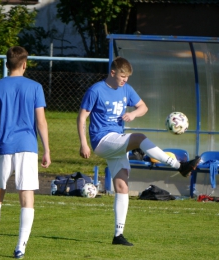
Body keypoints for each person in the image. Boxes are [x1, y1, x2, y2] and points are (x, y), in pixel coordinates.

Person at [77, 56, 200, 246]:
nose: (125, 80)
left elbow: (143, 107)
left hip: (116, 141)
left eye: (127, 77)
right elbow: (82, 117)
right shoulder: (96, 90)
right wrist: (84, 143)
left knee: (122, 187)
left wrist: (133, 113)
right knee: (139, 138)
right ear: (113, 73)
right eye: (122, 76)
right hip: (102, 140)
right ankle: (179, 165)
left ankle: (118, 235)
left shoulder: (126, 89)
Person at [0, 46, 51, 258]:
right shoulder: (35, 87)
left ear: (6, 64)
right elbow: (41, 121)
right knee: (26, 195)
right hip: (27, 147)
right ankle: (20, 247)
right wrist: (47, 149)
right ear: (24, 64)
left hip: (2, 146)